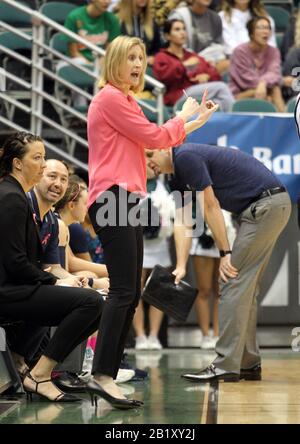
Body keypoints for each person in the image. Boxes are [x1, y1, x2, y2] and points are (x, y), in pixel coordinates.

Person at [87, 35, 218, 405]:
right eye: (130, 57)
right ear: (114, 60)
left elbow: (153, 142)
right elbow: (157, 135)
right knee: (124, 291)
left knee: (128, 293)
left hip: (128, 199)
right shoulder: (111, 97)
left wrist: (195, 121)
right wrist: (183, 115)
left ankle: (105, 372)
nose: (138, 64)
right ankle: (101, 374)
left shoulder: (126, 100)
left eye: (141, 57)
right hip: (113, 196)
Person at [146, 142, 291, 381]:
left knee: (231, 281)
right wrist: (181, 265)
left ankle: (225, 364)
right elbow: (183, 222)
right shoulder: (176, 176)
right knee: (245, 287)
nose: (149, 161)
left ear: (164, 147)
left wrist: (225, 253)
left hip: (265, 206)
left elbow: (211, 205)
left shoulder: (185, 156)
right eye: (143, 158)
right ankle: (247, 362)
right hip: (266, 207)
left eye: (150, 152)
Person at [0, 132, 104, 402]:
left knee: (95, 302)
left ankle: (29, 365)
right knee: (90, 303)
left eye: (44, 157)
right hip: (7, 292)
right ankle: (41, 374)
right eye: (37, 158)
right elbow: (15, 262)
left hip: (16, 287)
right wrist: (54, 281)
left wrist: (55, 280)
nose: (43, 164)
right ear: (17, 164)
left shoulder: (17, 195)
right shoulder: (11, 197)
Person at [153, 19, 234, 110]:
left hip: (195, 93)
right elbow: (164, 78)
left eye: (184, 29)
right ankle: (234, 120)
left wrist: (207, 76)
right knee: (221, 88)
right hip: (177, 96)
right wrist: (184, 65)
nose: (182, 32)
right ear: (167, 36)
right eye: (177, 29)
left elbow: (214, 73)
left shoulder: (192, 56)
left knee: (219, 103)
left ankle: (225, 122)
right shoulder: (161, 56)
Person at [229, 16, 286, 112]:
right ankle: (286, 121)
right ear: (251, 33)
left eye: (268, 28)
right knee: (273, 91)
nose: (265, 32)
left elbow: (274, 73)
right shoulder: (240, 51)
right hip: (240, 93)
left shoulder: (274, 51)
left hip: (266, 89)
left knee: (275, 89)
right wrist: (263, 85)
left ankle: (286, 121)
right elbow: (245, 78)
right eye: (260, 28)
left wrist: (263, 83)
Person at [169, 0, 229, 74]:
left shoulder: (215, 17)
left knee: (227, 64)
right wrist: (201, 61)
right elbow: (178, 49)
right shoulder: (179, 15)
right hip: (187, 65)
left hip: (211, 62)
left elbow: (219, 46)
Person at [64, 0, 120, 64]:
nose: (107, 2)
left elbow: (109, 51)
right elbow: (73, 52)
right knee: (79, 62)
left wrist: (100, 64)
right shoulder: (74, 17)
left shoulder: (112, 19)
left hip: (101, 62)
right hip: (77, 62)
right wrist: (90, 67)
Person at [117, 0, 162, 65]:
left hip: (146, 66)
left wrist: (154, 57)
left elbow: (157, 48)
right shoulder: (119, 21)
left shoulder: (151, 23)